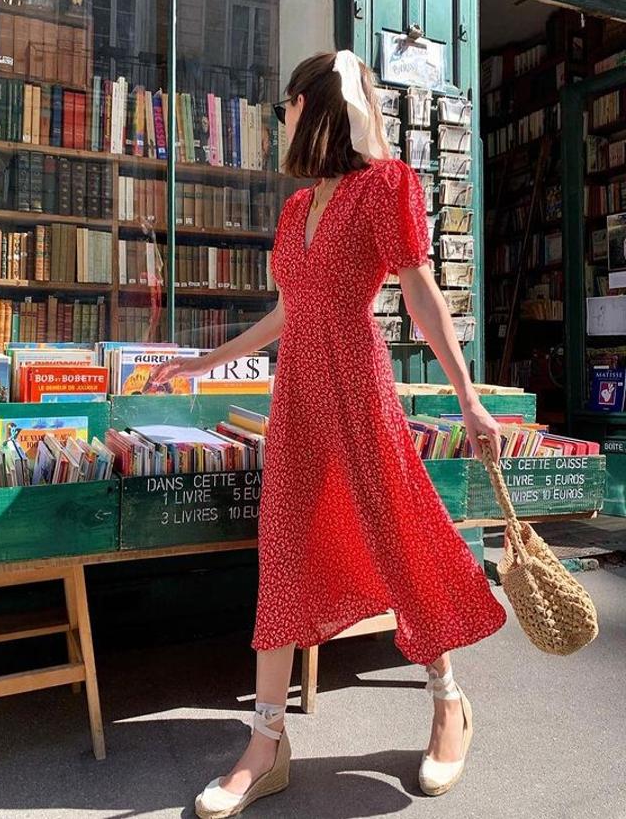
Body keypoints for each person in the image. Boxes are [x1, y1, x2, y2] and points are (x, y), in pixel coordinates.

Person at [148, 49, 508, 816]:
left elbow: (421, 295)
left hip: (357, 387)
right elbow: (289, 312)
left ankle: (448, 701)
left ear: (316, 107)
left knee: (398, 536)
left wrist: (468, 399)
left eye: (288, 105)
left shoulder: (385, 186)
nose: (281, 118)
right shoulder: (295, 209)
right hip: (299, 401)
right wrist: (201, 363)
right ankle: (266, 742)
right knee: (282, 551)